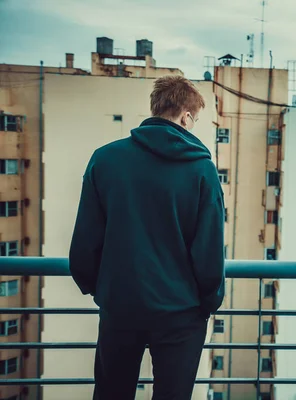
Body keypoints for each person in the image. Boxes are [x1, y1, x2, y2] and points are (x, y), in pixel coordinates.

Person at [69, 75, 225, 400]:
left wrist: (102, 290)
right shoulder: (201, 171)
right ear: (185, 117)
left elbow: (85, 242)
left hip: (121, 305)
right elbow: (208, 250)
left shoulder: (105, 159)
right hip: (181, 313)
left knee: (112, 393)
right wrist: (207, 303)